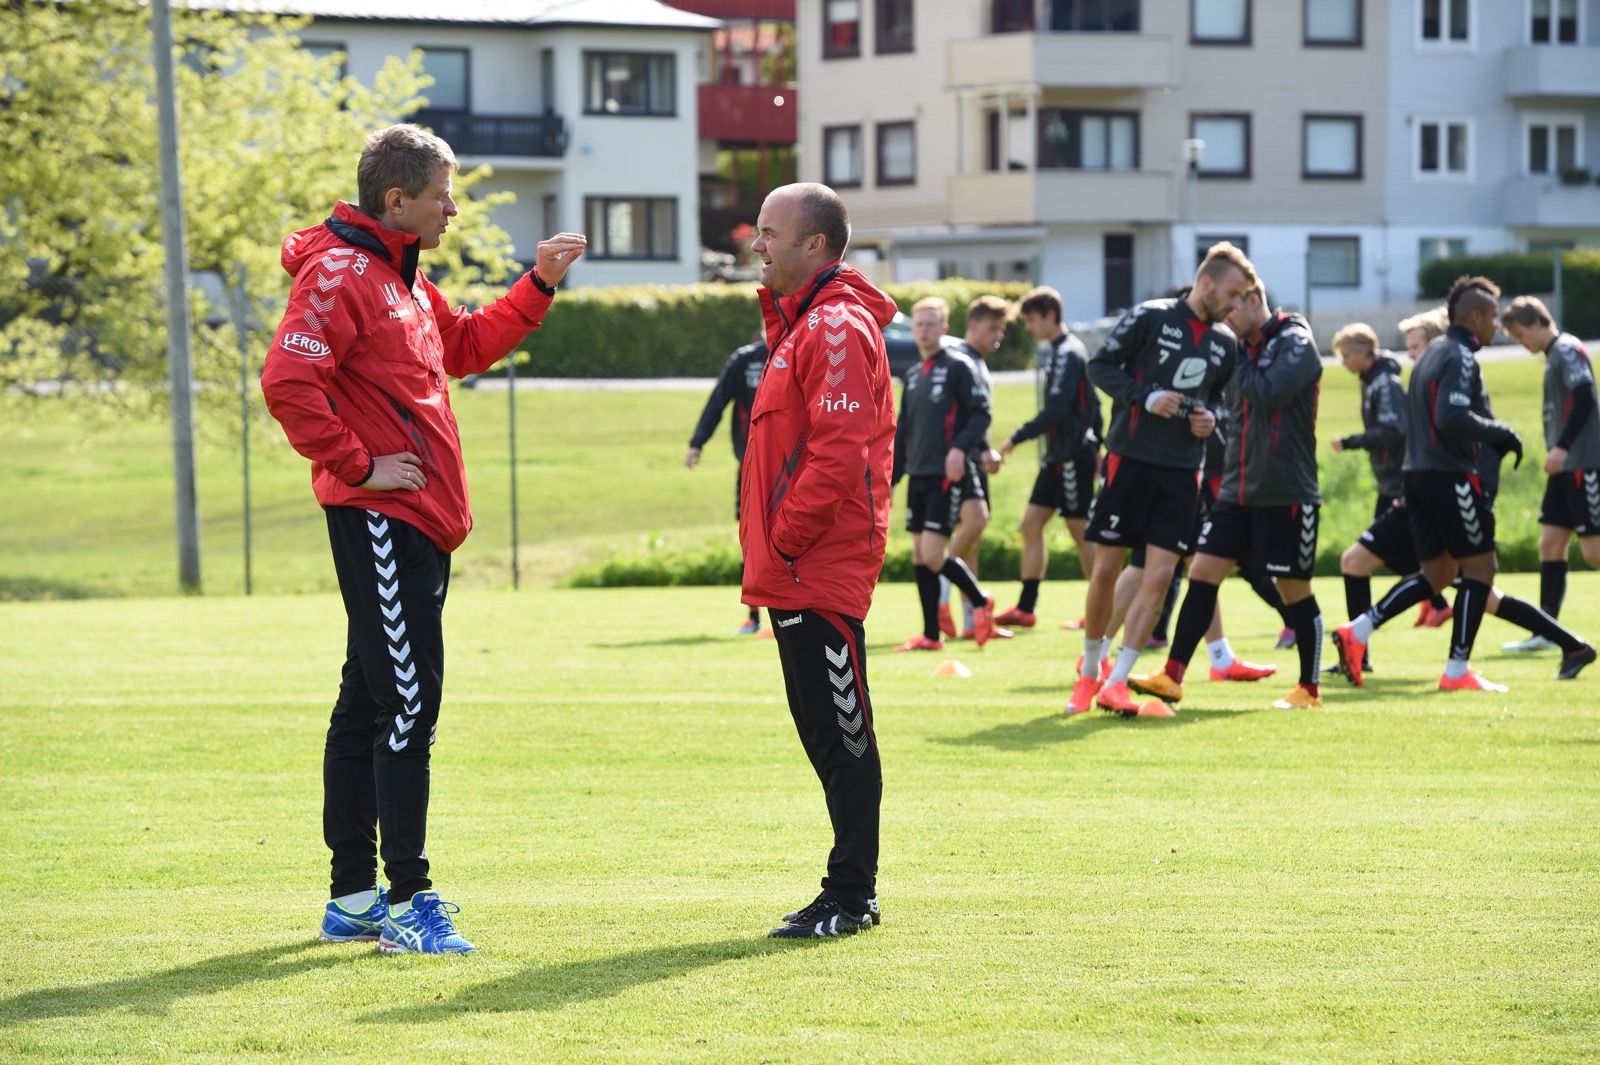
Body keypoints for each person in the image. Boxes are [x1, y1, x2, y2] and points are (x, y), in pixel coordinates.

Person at [261, 124, 587, 953]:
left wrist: (538, 285)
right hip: (383, 518)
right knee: (408, 700)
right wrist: (359, 464)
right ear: (397, 199)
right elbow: (289, 381)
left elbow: (465, 345)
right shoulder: (341, 273)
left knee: (368, 699)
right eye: (443, 194)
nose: (453, 208)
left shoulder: (402, 278)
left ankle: (353, 899)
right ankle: (409, 900)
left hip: (418, 522)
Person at [740, 182, 898, 939]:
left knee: (844, 735)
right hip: (796, 569)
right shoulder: (803, 324)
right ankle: (844, 890)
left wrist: (786, 542)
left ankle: (852, 895)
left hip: (817, 567)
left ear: (816, 246)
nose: (757, 246)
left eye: (770, 233)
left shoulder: (835, 326)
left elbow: (838, 454)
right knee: (824, 736)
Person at [1333, 276, 1595, 690]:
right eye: (1491, 317)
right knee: (1481, 570)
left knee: (1437, 572)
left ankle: (1358, 630)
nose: (1495, 326)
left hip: (1415, 478)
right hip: (1449, 477)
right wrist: (1500, 432)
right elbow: (1450, 417)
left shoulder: (1431, 354)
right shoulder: (1460, 356)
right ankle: (1457, 671)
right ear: (1474, 317)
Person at [1069, 242, 1247, 717]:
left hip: (1184, 470)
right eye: (1232, 294)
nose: (1236, 306)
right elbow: (1100, 367)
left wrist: (1210, 419)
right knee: (1107, 568)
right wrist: (1145, 397)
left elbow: (1219, 401)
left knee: (1162, 575)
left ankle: (1118, 682)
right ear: (1206, 283)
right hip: (1129, 459)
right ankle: (1090, 670)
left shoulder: (1225, 343)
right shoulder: (1151, 317)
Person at [1130, 277, 1326, 710]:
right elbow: (1223, 400)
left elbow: (1269, 393)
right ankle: (1172, 676)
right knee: (1202, 571)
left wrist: (1231, 354)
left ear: (1253, 300)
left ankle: (1309, 689)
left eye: (1230, 308)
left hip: (1286, 490)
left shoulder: (1295, 340)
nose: (1223, 318)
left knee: (1293, 587)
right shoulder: (1239, 348)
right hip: (1237, 491)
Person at [890, 296, 997, 651]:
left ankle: (980, 600)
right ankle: (931, 635)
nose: (923, 330)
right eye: (919, 324)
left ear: (944, 328)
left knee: (934, 554)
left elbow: (981, 414)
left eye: (931, 324)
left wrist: (959, 449)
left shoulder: (958, 366)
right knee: (920, 556)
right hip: (918, 476)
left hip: (944, 475)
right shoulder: (912, 377)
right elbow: (904, 432)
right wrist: (891, 480)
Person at [995, 285, 1100, 628]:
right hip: (1057, 457)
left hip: (1072, 456)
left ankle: (1100, 610)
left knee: (1081, 532)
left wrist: (1017, 437)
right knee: (1031, 524)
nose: (1028, 327)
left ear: (1050, 316)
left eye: (1032, 320)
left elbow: (1058, 410)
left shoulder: (1069, 352)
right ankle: (1026, 608)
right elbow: (1094, 405)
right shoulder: (1057, 352)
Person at [1500, 296, 1600, 652]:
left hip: (1583, 464)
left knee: (1594, 553)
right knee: (1550, 545)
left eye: (1519, 335)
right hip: (1564, 470)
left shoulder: (1567, 350)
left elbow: (1585, 396)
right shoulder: (1553, 355)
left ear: (1536, 322)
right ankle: (1548, 633)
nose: (1520, 343)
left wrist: (1563, 446)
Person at [1327, 323, 1408, 674]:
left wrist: (1352, 442)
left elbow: (1394, 430)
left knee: (1361, 561)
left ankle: (1439, 598)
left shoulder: (1385, 383)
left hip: (1401, 488)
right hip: (1390, 486)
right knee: (1387, 561)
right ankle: (1358, 654)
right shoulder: (1372, 381)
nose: (1344, 362)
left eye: (1347, 355)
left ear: (1365, 352)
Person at [939, 296, 1012, 640]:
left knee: (974, 539)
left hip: (970, 457)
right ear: (973, 325)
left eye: (1001, 329)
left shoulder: (978, 361)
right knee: (972, 524)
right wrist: (976, 450)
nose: (998, 335)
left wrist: (984, 451)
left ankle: (973, 620)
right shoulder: (960, 360)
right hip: (956, 460)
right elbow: (958, 416)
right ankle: (940, 595)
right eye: (992, 328)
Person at [686, 331, 767, 634]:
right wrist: (697, 442)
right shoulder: (745, 360)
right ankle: (754, 616)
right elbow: (717, 401)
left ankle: (792, 616)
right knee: (750, 540)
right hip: (749, 467)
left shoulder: (801, 349)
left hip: (790, 469)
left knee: (790, 537)